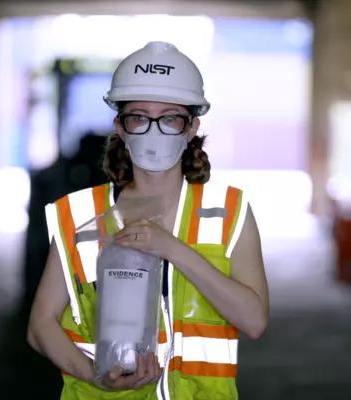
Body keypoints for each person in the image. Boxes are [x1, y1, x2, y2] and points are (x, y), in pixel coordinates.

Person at [27, 41, 269, 400]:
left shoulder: (228, 212)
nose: (153, 130)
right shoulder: (79, 215)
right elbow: (40, 327)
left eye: (169, 117)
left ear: (191, 127)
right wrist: (95, 376)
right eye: (139, 117)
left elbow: (254, 321)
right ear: (121, 127)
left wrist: (171, 248)